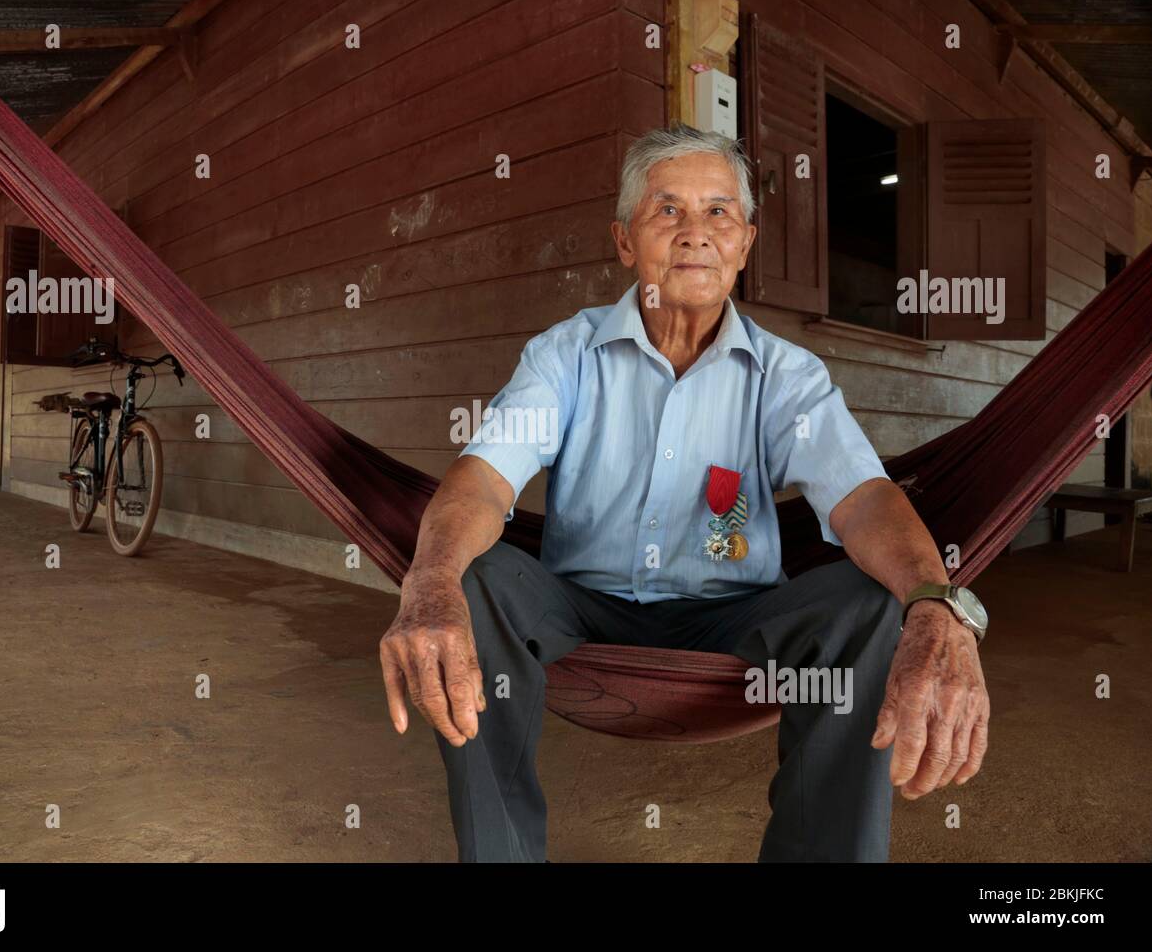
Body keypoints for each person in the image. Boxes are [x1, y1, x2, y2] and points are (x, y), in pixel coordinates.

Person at [379, 123, 991, 862]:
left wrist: (935, 604)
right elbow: (483, 477)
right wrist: (431, 580)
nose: (695, 232)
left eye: (719, 212)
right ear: (624, 242)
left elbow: (863, 498)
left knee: (871, 606)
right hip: (581, 607)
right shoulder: (566, 355)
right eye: (667, 209)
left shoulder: (786, 375)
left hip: (735, 615)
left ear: (745, 244)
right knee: (472, 581)